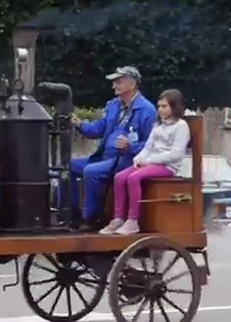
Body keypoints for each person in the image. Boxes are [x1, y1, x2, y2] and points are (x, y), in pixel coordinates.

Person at [68, 66, 157, 231]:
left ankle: (91, 218)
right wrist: (80, 124)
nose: (114, 86)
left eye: (118, 82)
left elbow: (152, 144)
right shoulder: (113, 105)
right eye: (114, 82)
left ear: (132, 84)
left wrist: (130, 146)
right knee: (70, 166)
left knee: (91, 171)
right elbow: (99, 128)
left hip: (127, 160)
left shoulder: (147, 110)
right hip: (105, 158)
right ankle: (72, 214)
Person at [99, 89, 191, 235]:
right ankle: (118, 218)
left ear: (175, 107)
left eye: (164, 106)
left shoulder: (181, 126)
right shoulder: (158, 126)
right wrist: (139, 158)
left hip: (167, 167)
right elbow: (148, 147)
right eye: (159, 106)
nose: (160, 109)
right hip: (151, 163)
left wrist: (149, 161)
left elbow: (176, 154)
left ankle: (133, 220)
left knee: (134, 177)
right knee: (120, 177)